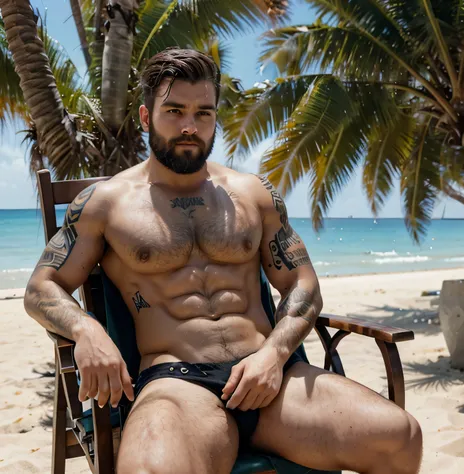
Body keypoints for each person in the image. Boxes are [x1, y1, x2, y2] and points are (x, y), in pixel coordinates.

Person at [24, 48, 422, 474]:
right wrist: (86, 329)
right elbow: (40, 288)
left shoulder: (252, 195)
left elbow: (303, 285)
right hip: (178, 387)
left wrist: (274, 354)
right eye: (174, 111)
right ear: (145, 117)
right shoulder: (106, 204)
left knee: (401, 437)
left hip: (271, 380)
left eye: (204, 113)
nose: (189, 126)